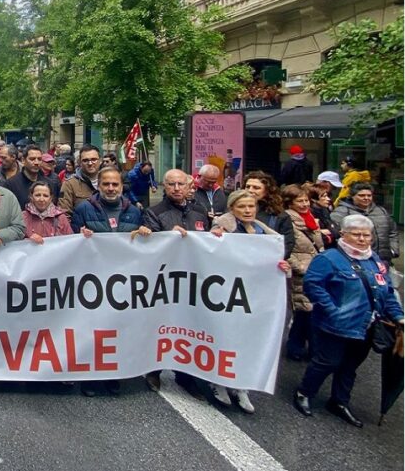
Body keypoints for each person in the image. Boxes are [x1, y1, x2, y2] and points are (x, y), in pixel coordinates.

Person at [294, 214, 404, 426]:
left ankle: (339, 401)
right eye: (356, 234)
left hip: (366, 326)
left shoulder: (376, 262)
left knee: (349, 367)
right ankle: (304, 393)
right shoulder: (328, 259)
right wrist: (333, 311)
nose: (362, 239)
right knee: (326, 362)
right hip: (333, 325)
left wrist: (399, 316)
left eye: (366, 235)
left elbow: (388, 292)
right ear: (343, 235)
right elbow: (313, 286)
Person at [210, 190, 291, 413]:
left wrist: (284, 268)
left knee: (248, 340)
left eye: (251, 206)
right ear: (232, 208)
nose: (247, 211)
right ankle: (218, 383)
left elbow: (274, 263)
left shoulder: (264, 232)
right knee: (225, 337)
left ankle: (241, 385)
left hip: (254, 295)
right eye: (242, 207)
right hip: (226, 294)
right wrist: (213, 240)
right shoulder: (220, 229)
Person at [72, 167, 145, 397]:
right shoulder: (83, 209)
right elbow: (68, 244)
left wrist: (146, 234)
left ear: (121, 187)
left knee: (117, 330)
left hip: (121, 282)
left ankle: (114, 374)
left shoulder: (133, 212)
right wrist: (78, 236)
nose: (111, 188)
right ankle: (90, 378)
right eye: (106, 184)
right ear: (99, 186)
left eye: (115, 184)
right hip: (91, 281)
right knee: (90, 331)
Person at [140, 170, 211, 395]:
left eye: (181, 184)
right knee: (160, 325)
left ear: (189, 186)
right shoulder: (154, 212)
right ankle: (154, 370)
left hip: (193, 278)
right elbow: (150, 244)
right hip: (165, 278)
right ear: (165, 186)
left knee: (189, 326)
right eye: (171, 184)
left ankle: (186, 375)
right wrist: (167, 236)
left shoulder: (200, 213)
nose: (177, 188)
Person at [281, 184, 324, 362]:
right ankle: (296, 347)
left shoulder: (310, 219)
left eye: (306, 200)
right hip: (302, 272)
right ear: (290, 203)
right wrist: (300, 267)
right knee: (304, 312)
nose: (305, 204)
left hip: (316, 269)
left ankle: (305, 346)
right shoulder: (288, 220)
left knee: (310, 311)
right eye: (300, 201)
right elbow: (286, 249)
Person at [331, 182, 399, 264]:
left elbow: (393, 232)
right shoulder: (341, 212)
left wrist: (393, 250)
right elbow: (334, 234)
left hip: (383, 259)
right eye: (361, 195)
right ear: (352, 196)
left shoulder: (381, 211)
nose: (366, 198)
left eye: (369, 195)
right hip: (354, 261)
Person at [243, 171, 295, 258]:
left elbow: (287, 245)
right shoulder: (232, 211)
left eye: (256, 188)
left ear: (267, 191)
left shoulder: (279, 216)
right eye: (247, 187)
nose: (250, 190)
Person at [58, 144, 101, 219]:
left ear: (100, 160)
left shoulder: (110, 181)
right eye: (85, 160)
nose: (90, 163)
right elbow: (64, 214)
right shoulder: (70, 184)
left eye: (94, 159)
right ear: (80, 162)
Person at [1, 145, 45, 210]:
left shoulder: (48, 183)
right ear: (23, 160)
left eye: (39, 159)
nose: (36, 162)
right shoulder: (11, 184)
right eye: (32, 159)